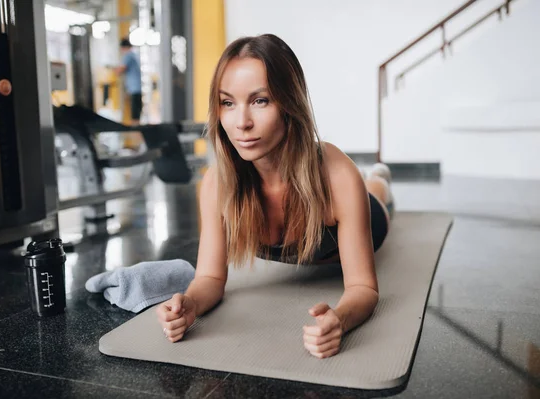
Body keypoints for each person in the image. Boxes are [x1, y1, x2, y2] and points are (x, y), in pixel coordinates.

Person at [155, 34, 395, 359]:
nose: (242, 123)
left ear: (289, 103)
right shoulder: (217, 184)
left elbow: (362, 288)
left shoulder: (337, 174)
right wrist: (190, 304)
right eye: (228, 103)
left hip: (367, 217)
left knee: (375, 192)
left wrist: (341, 319)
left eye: (260, 100)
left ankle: (379, 177)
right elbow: (210, 277)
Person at [115, 38, 143, 125]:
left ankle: (135, 129)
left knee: (135, 111)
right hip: (137, 87)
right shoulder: (134, 55)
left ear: (123, 48)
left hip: (134, 88)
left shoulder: (128, 56)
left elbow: (120, 70)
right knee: (137, 110)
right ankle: (136, 126)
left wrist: (114, 70)